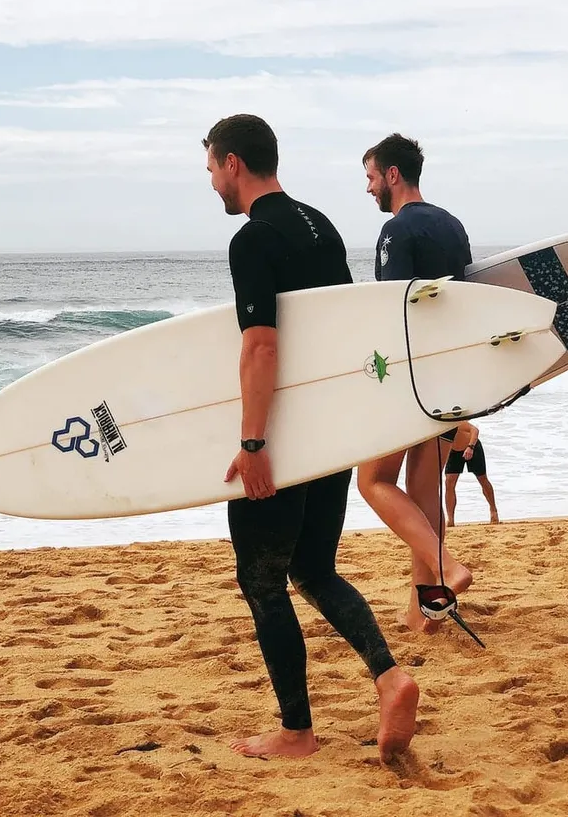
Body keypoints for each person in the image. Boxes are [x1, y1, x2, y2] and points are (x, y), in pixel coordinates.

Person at [204, 113, 419, 763]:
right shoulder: (319, 224)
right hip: (331, 429)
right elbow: (343, 330)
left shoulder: (252, 239)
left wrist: (253, 443)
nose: (211, 181)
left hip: (284, 438)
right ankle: (389, 677)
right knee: (314, 567)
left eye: (212, 167)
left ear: (234, 164)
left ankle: (296, 731)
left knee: (262, 579)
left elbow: (262, 343)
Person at [354, 133, 475, 634]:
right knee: (423, 501)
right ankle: (425, 613)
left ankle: (445, 568)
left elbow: (393, 311)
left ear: (392, 176)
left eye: (370, 177)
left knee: (373, 481)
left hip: (409, 377)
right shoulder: (453, 226)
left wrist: (372, 377)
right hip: (447, 374)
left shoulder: (395, 230)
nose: (368, 189)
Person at [444, 423, 499, 526]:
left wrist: (470, 447)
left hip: (472, 447)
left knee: (482, 479)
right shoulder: (435, 427)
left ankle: (493, 510)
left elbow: (475, 430)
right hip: (453, 452)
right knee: (449, 483)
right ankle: (450, 519)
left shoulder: (454, 422)